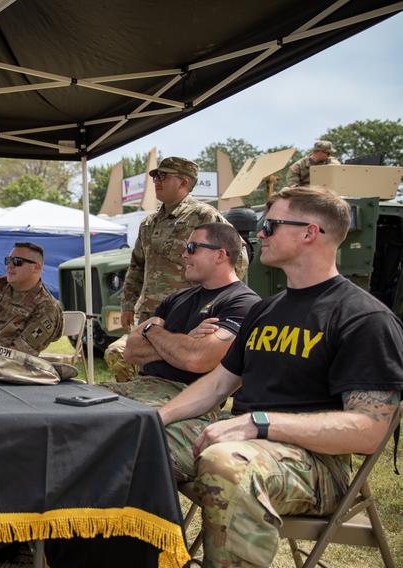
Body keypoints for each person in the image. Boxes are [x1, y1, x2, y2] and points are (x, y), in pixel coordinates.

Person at [158, 186, 403, 567]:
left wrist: (260, 424)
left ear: (309, 232)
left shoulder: (363, 319)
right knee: (132, 436)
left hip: (319, 465)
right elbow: (220, 383)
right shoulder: (265, 310)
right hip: (248, 440)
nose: (259, 234)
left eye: (270, 225)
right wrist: (155, 419)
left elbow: (368, 429)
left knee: (227, 462)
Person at [107, 156, 248, 382]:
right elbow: (137, 266)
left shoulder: (204, 216)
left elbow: (236, 257)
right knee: (134, 365)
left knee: (176, 369)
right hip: (151, 314)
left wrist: (211, 297)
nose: (156, 181)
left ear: (183, 182)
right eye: (155, 177)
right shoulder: (149, 222)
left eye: (163, 176)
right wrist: (127, 305)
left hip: (184, 315)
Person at [105, 223, 260, 409]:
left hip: (186, 398)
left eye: (192, 248)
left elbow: (195, 360)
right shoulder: (177, 298)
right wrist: (185, 341)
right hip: (140, 386)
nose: (184, 255)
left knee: (109, 421)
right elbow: (131, 351)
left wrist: (152, 332)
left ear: (220, 255)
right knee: (75, 404)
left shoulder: (243, 303)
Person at [0, 242, 63, 356]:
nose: (9, 266)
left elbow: (19, 353)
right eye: (8, 260)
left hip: (6, 368)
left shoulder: (46, 307)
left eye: (17, 262)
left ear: (36, 267)